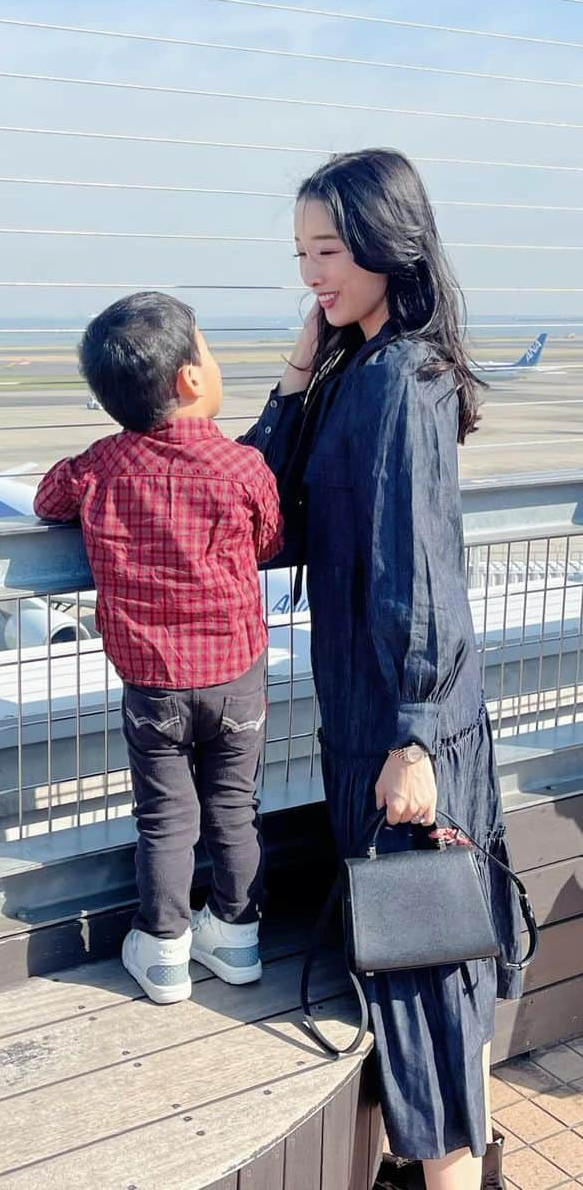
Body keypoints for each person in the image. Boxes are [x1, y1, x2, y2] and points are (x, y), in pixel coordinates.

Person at [242, 150, 520, 1190]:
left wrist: (411, 732)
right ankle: (459, 1164)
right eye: (303, 251)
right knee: (435, 954)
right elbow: (262, 509)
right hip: (382, 710)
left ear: (387, 244)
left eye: (330, 248)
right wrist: (289, 384)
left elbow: (424, 569)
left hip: (406, 720)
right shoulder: (357, 369)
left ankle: (446, 1173)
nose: (313, 271)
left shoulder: (401, 378)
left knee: (423, 975)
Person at [34, 292, 283, 1004]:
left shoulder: (103, 465)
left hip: (152, 686)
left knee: (166, 818)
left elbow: (49, 499)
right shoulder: (241, 467)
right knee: (235, 809)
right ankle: (237, 938)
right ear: (190, 379)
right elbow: (270, 540)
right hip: (236, 677)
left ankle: (165, 946)